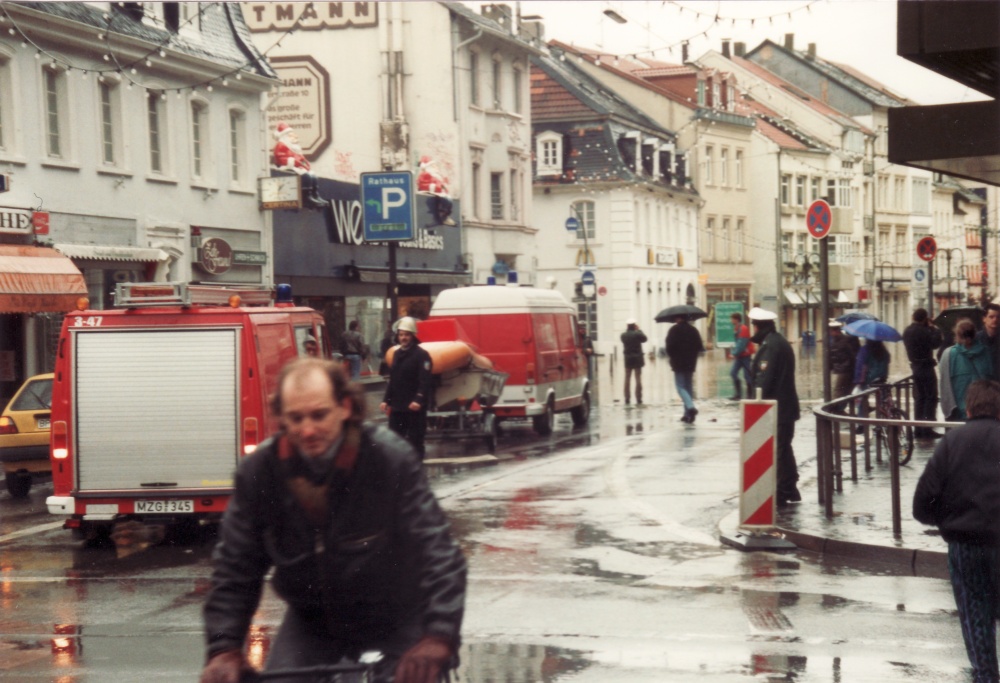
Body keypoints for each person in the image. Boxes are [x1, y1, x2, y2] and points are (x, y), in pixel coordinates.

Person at [199, 358, 466, 683]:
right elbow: (235, 567)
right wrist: (223, 649)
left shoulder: (388, 460)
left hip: (398, 615)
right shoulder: (260, 473)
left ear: (344, 407)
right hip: (313, 620)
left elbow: (439, 554)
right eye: (296, 418)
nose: (307, 430)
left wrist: (438, 637)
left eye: (319, 415)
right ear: (281, 417)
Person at [913, 379, 1000, 683]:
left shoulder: (952, 442)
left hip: (966, 543)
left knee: (975, 611)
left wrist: (946, 521)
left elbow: (923, 501)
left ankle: (986, 675)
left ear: (969, 407)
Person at [748, 307, 801, 507]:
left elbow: (764, 380)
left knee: (780, 450)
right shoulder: (777, 342)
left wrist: (755, 404)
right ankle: (789, 488)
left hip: (778, 408)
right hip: (785, 407)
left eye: (754, 326)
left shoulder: (771, 346)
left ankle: (783, 491)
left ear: (758, 326)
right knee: (783, 448)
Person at [381, 317, 434, 459]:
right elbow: (393, 380)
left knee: (416, 441)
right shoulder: (397, 354)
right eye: (401, 335)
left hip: (414, 408)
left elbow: (425, 381)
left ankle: (417, 471)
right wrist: (386, 400)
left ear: (413, 335)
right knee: (395, 440)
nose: (403, 338)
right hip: (398, 407)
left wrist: (418, 400)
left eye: (407, 334)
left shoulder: (422, 355)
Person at [940, 319, 994, 422]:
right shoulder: (986, 352)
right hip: (983, 410)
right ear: (975, 334)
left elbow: (944, 385)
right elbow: (990, 380)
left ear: (957, 334)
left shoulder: (948, 354)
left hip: (958, 412)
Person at [903, 308, 944, 438]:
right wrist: (935, 329)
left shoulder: (907, 331)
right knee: (931, 397)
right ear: (925, 318)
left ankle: (918, 428)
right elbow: (935, 343)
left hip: (914, 367)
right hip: (926, 366)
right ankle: (927, 429)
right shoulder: (925, 331)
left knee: (919, 398)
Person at [272, 121, 329, 211]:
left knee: (312, 175)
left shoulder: (294, 147)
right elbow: (279, 157)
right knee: (305, 176)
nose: (293, 136)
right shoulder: (281, 145)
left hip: (296, 166)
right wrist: (293, 161)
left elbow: (301, 158)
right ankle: (306, 196)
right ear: (285, 136)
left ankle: (314, 194)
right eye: (290, 134)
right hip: (287, 167)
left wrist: (305, 164)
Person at [665, 314, 705, 423]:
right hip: (691, 362)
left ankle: (690, 407)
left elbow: (669, 347)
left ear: (678, 318)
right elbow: (700, 347)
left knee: (680, 387)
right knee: (688, 387)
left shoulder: (673, 330)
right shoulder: (693, 330)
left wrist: (672, 357)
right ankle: (688, 415)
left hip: (678, 362)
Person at [828, 320, 857, 411]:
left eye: (831, 330)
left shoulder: (839, 341)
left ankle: (833, 409)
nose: (830, 332)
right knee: (846, 391)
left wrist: (831, 367)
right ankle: (839, 409)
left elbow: (835, 356)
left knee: (838, 390)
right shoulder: (840, 340)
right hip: (847, 369)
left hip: (844, 370)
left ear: (835, 331)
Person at [725, 312, 753, 401]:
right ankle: (738, 394)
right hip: (740, 356)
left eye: (732, 319)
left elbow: (741, 343)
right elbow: (739, 343)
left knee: (747, 376)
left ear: (736, 319)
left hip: (745, 356)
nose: (731, 320)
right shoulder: (737, 328)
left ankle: (750, 395)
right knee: (733, 373)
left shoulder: (743, 329)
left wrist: (734, 353)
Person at [620, 318, 647, 405]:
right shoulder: (637, 334)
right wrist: (639, 330)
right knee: (638, 379)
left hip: (628, 359)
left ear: (627, 326)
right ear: (634, 325)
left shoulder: (623, 335)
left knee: (627, 379)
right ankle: (638, 398)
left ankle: (627, 398)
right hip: (637, 359)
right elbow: (645, 339)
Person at [976, 302, 1000, 380]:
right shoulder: (976, 339)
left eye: (998, 317)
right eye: (991, 317)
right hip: (982, 383)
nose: (995, 319)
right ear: (984, 319)